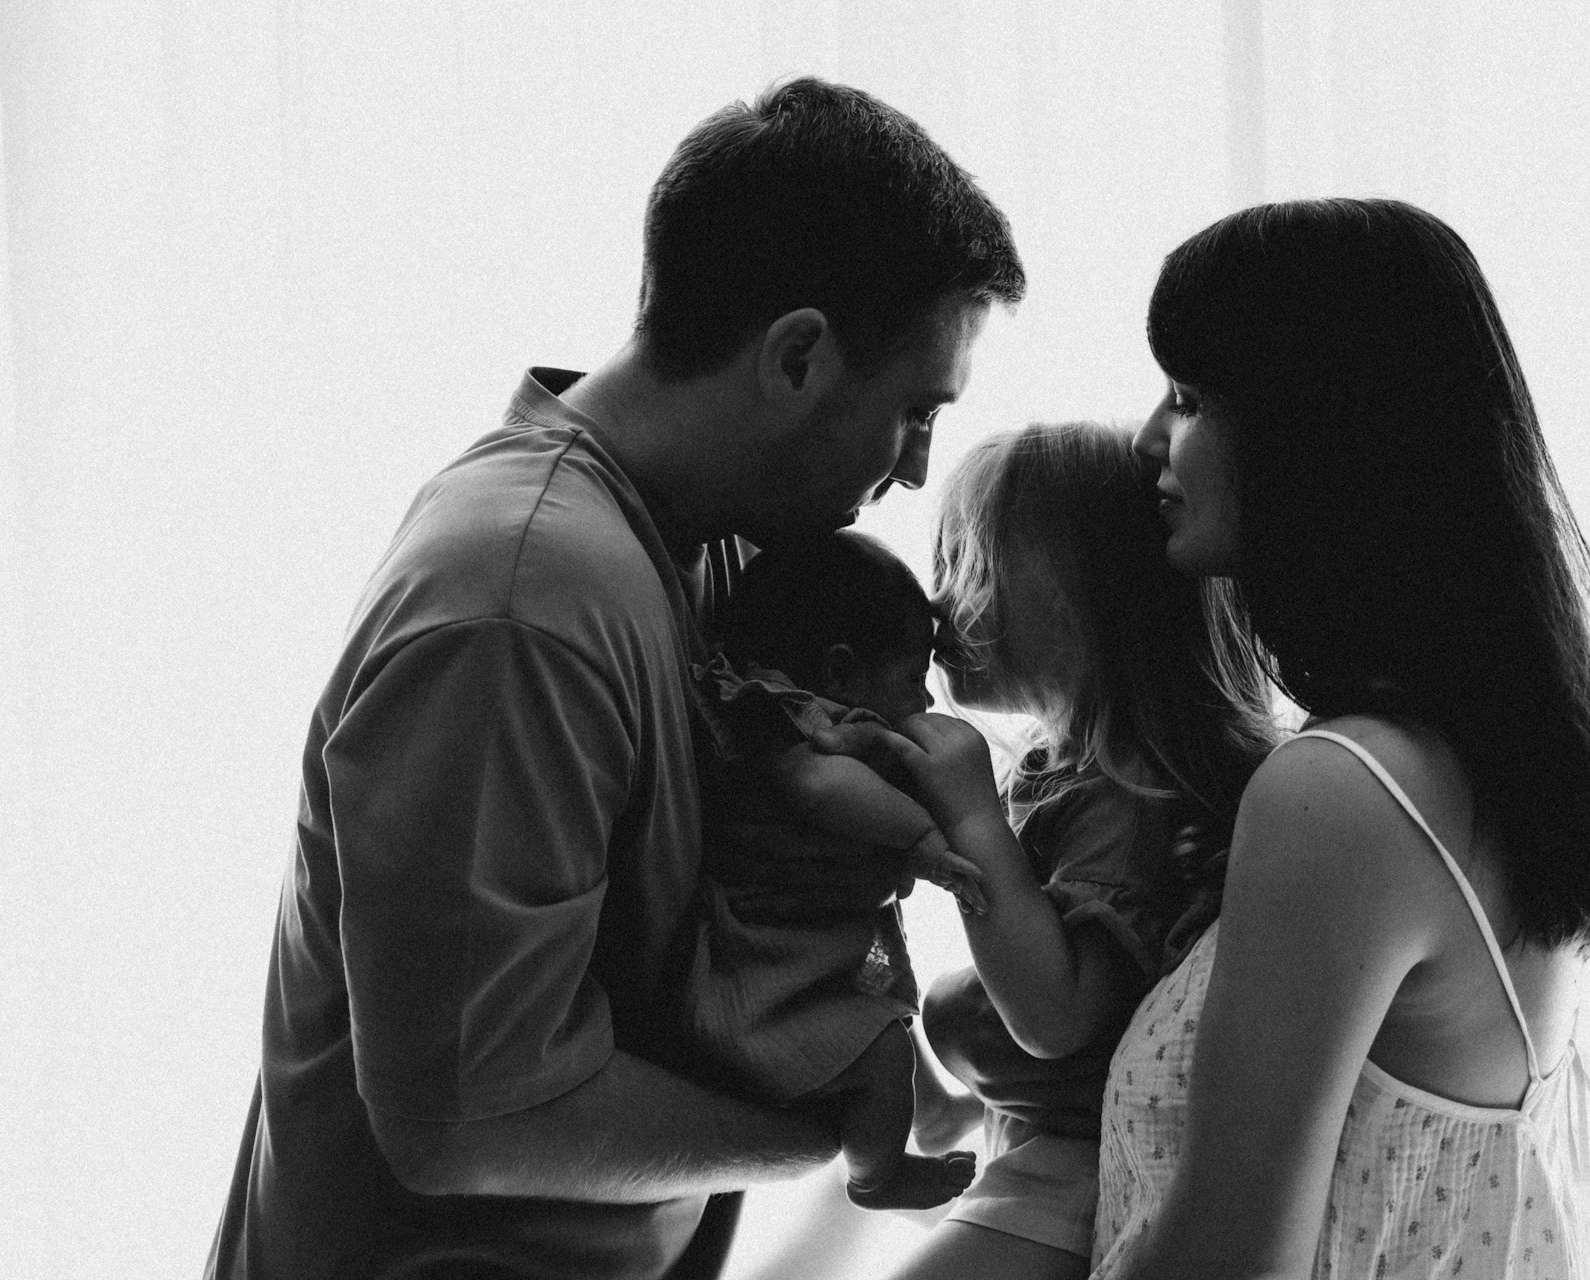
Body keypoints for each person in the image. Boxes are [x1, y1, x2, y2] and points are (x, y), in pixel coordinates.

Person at [204, 77, 1022, 1280]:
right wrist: (844, 1122)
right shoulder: (522, 599)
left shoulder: (709, 548)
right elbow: (469, 1116)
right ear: (796, 356)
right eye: (913, 411)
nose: (912, 468)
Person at [1074, 198, 1590, 1278]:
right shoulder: (1473, 758)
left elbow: (1226, 1262)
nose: (1150, 438)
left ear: (1317, 434)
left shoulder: (1343, 792)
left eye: (1190, 398)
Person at [872, 422, 1277, 1280]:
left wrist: (972, 819)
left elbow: (1054, 1018)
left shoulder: (1131, 795)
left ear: (1090, 594)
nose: (940, 604)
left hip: (1078, 1174)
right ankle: (955, 1116)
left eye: (970, 565)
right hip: (1036, 1145)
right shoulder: (1071, 766)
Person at [678, 529, 984, 1211]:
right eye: (913, 680)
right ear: (840, 672)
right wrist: (923, 838)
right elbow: (821, 787)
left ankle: (931, 1112)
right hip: (767, 964)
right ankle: (875, 1177)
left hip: (810, 939)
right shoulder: (793, 722)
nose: (926, 703)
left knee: (883, 1006)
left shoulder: (805, 713)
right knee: (879, 1050)